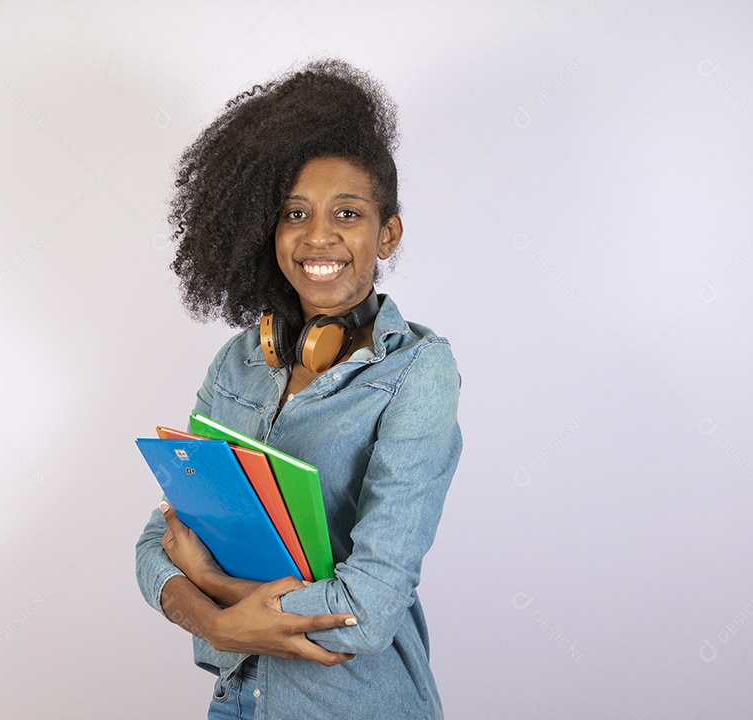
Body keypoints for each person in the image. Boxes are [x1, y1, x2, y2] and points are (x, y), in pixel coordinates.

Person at [135, 59, 462, 719]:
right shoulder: (238, 363)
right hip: (238, 701)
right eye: (295, 214)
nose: (318, 236)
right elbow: (154, 546)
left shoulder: (417, 373)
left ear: (387, 233)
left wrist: (212, 591)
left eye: (348, 212)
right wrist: (220, 626)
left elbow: (366, 611)